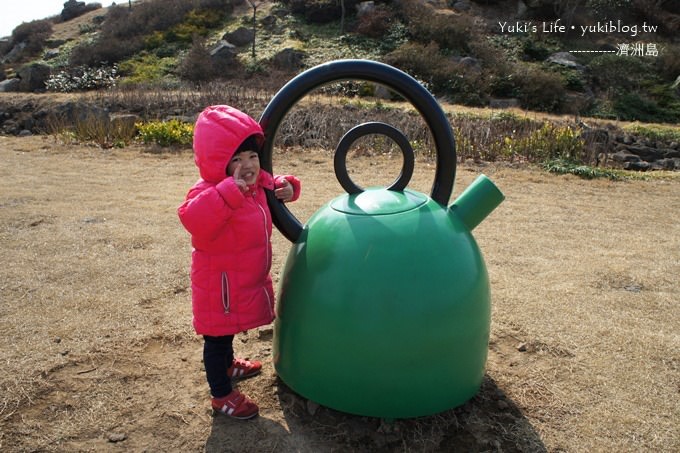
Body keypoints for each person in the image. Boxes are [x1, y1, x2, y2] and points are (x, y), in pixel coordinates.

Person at [178, 105, 301, 419]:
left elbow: (275, 183)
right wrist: (228, 191)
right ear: (219, 162)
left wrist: (289, 186)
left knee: (226, 332)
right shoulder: (207, 190)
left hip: (238, 280)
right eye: (237, 159)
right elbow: (194, 218)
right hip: (218, 285)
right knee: (216, 339)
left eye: (252, 157)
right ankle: (221, 395)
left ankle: (230, 366)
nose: (247, 166)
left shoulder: (257, 182)